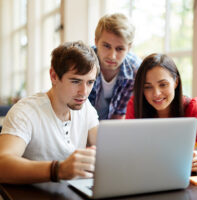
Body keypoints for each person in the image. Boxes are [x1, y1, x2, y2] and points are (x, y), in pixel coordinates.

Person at [0, 41, 100, 184]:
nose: (84, 92)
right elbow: (2, 165)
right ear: (54, 76)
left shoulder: (85, 107)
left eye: (90, 82)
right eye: (75, 81)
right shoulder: (25, 112)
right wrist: (58, 170)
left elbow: (105, 149)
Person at [125, 53, 197, 172]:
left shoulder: (191, 107)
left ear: (176, 82)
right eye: (148, 87)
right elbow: (127, 152)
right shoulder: (135, 106)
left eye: (163, 85)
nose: (156, 93)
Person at [88, 13, 141, 120]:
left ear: (129, 47)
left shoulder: (135, 70)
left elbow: (118, 117)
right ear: (96, 41)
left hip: (111, 128)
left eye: (120, 49)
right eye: (106, 46)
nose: (112, 56)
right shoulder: (82, 62)